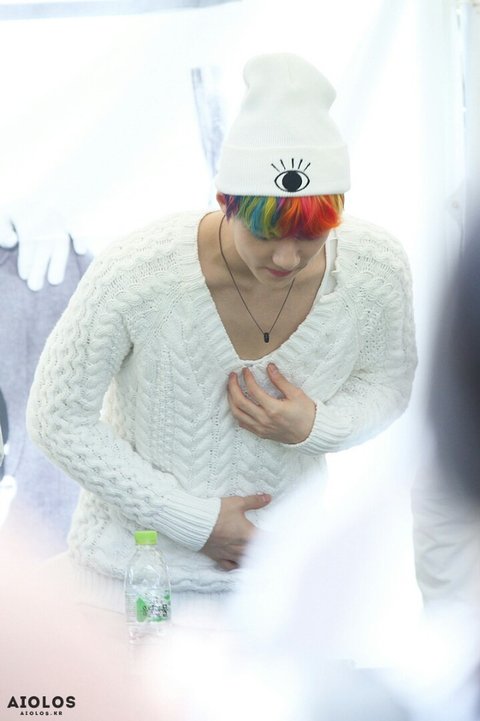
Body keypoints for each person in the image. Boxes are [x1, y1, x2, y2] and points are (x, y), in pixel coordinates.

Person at [26, 53, 417, 626]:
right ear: (225, 203)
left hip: (281, 588)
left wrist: (315, 426)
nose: (288, 258)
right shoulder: (140, 273)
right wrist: (195, 522)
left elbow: (388, 385)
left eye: (311, 237)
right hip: (128, 587)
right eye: (266, 234)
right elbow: (57, 416)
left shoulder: (374, 269)